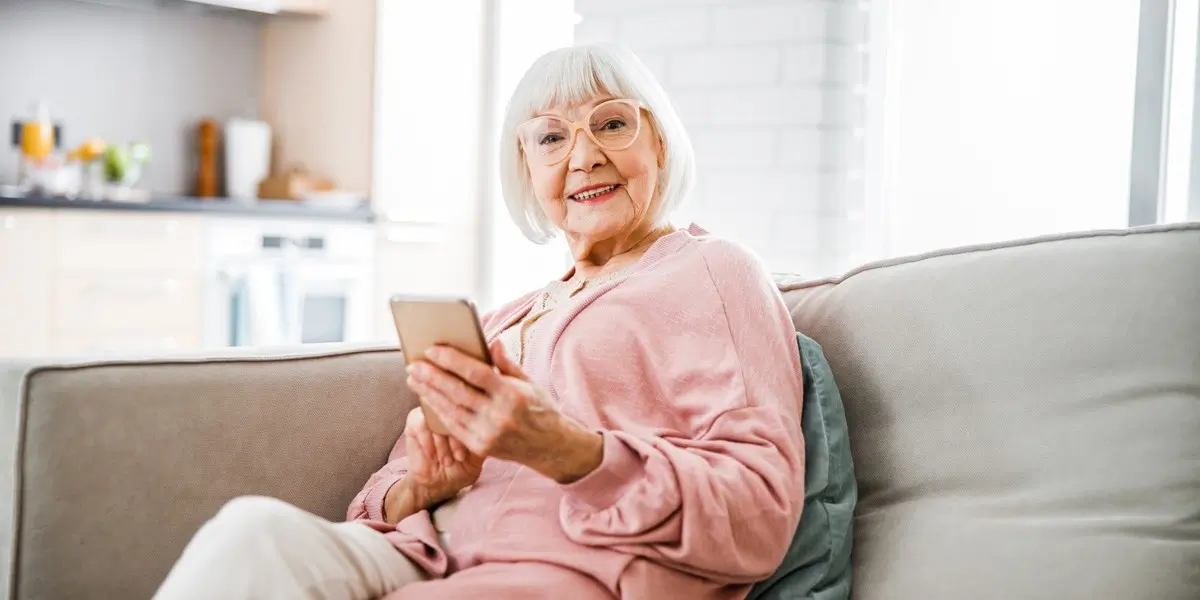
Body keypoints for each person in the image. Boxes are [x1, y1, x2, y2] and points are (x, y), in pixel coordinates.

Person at [154, 43, 805, 600]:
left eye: (611, 125)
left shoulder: (713, 272)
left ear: (660, 141)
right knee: (254, 534)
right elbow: (381, 495)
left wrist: (571, 452)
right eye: (551, 137)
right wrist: (423, 487)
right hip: (424, 555)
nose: (582, 157)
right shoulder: (505, 318)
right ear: (527, 168)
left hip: (566, 573)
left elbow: (760, 513)